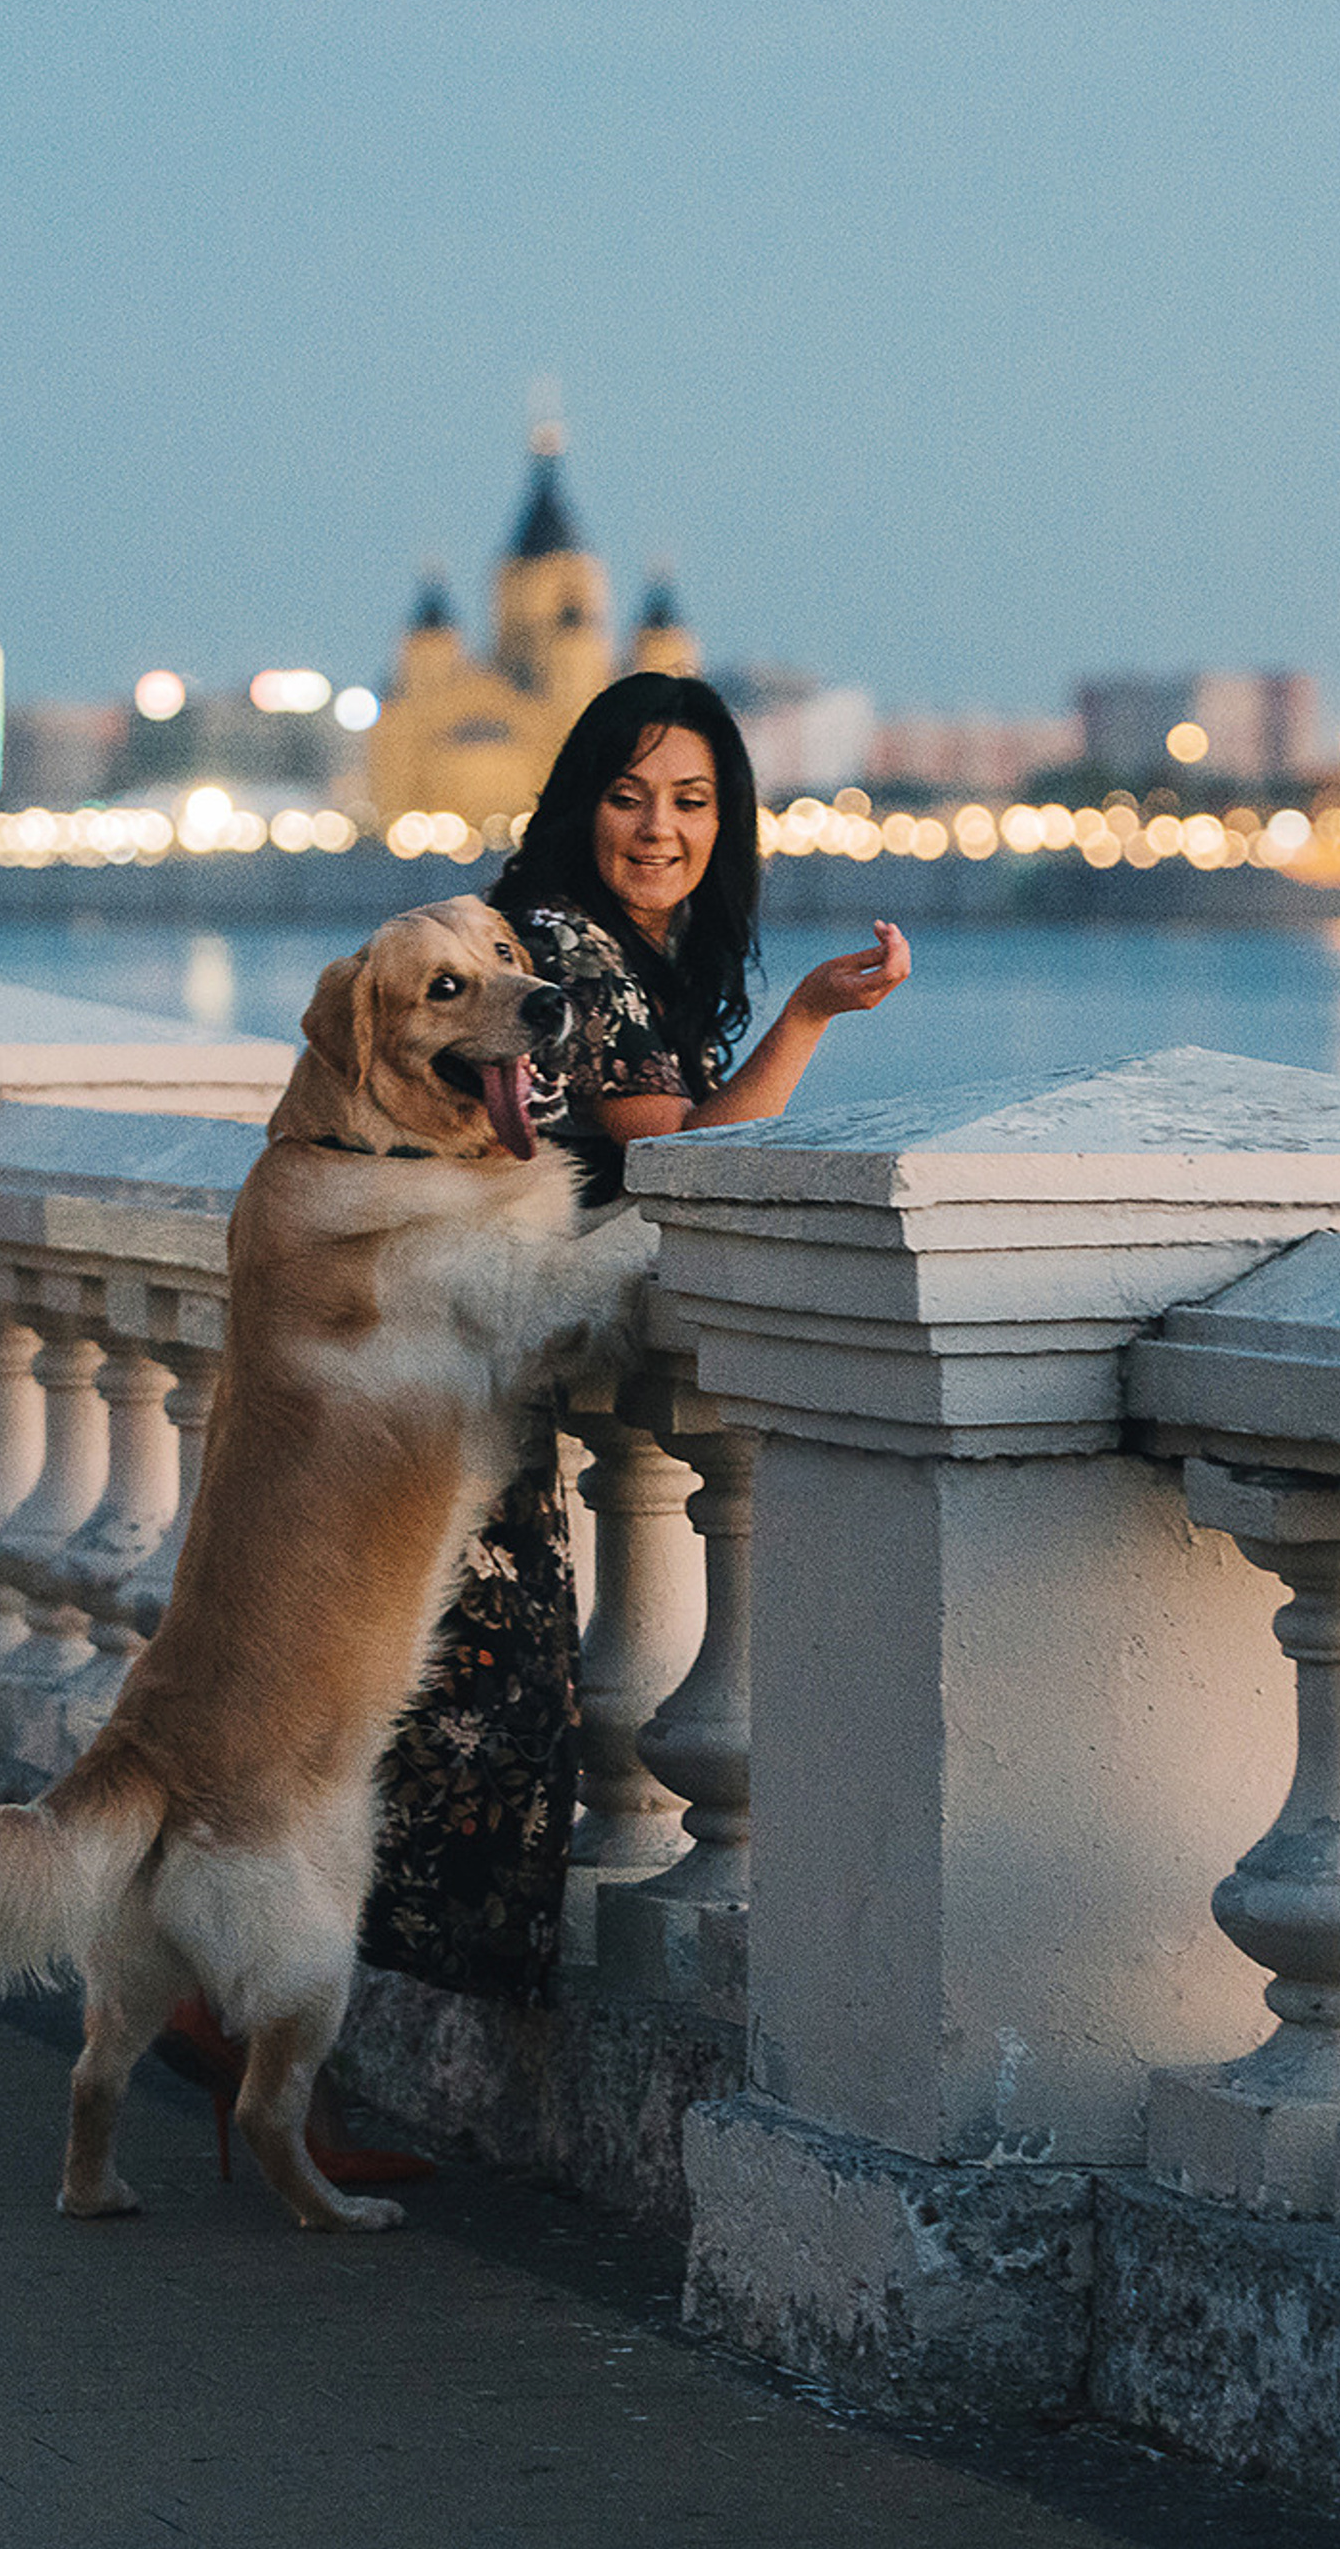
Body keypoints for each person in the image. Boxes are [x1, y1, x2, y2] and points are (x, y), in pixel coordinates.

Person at [354, 671, 909, 2005]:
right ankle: (243, 2036)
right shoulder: (569, 944)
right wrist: (813, 1021)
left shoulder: (551, 936)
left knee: (415, 1720)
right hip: (442, 1380)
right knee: (453, 1728)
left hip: (432, 1360)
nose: (659, 828)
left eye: (693, 800)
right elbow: (681, 1163)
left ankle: (269, 2069)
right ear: (578, 805)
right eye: (627, 795)